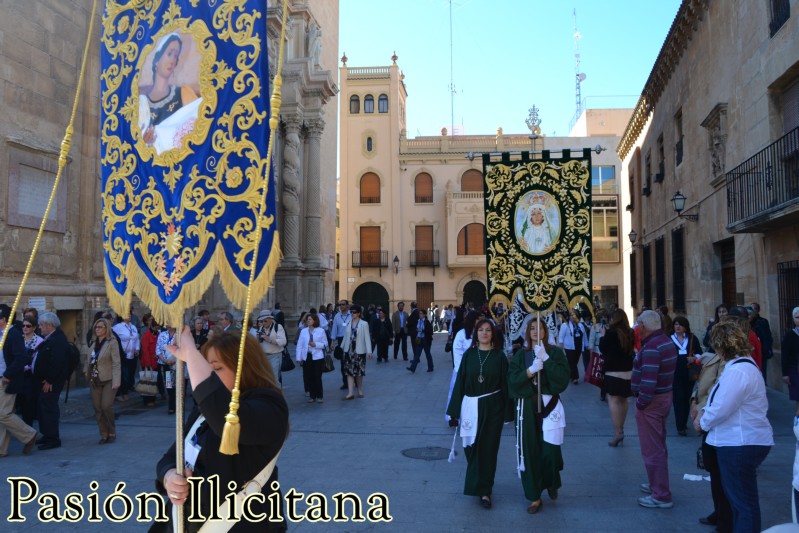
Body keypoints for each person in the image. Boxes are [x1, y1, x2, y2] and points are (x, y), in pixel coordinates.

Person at [154, 328, 289, 532]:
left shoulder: (269, 406)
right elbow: (170, 458)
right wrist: (169, 476)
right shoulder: (203, 411)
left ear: (244, 368)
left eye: (215, 369)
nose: (205, 375)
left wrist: (191, 352)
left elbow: (225, 420)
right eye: (205, 367)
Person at [695, 318, 773, 533]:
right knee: (741, 502)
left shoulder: (738, 371)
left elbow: (721, 407)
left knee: (743, 504)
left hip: (739, 443)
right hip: (739, 441)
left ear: (722, 345)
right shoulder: (741, 366)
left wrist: (702, 421)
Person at [508, 316, 570, 514]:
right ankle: (534, 496)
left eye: (540, 327)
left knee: (550, 453)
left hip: (549, 408)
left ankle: (552, 481)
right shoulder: (520, 355)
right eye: (532, 328)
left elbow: (562, 381)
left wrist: (546, 360)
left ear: (545, 331)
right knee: (529, 453)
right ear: (528, 332)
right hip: (526, 409)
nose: (536, 331)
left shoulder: (555, 354)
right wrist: (530, 371)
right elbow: (512, 381)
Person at [446, 319, 510, 510]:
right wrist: (454, 412)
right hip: (469, 407)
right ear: (476, 334)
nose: (484, 333)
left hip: (492, 408)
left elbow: (506, 386)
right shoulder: (469, 355)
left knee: (489, 449)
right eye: (480, 330)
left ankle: (485, 491)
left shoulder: (499, 357)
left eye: (488, 330)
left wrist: (507, 413)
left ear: (493, 334)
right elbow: (460, 383)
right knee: (471, 448)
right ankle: (478, 481)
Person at [632, 309, 677, 509]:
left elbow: (648, 382)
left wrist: (641, 403)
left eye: (639, 323)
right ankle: (656, 484)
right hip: (664, 397)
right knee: (658, 445)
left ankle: (661, 494)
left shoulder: (652, 347)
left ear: (644, 326)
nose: (637, 326)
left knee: (652, 449)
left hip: (652, 402)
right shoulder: (666, 341)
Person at [690, 337, 732, 531]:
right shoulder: (715, 357)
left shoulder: (732, 364)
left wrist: (701, 412)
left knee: (721, 473)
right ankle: (719, 512)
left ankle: (725, 517)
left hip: (713, 419)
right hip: (705, 415)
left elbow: (719, 392)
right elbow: (701, 383)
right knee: (713, 471)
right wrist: (693, 400)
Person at [137, 33, 202, 155]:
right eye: (169, 54)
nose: (172, 60)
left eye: (176, 56)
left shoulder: (183, 93)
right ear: (157, 59)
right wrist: (144, 143)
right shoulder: (142, 105)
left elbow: (200, 124)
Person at [0, 304, 38, 456]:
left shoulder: (13, 335)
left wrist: (8, 374)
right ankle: (1, 449)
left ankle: (29, 434)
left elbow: (21, 358)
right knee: (1, 415)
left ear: (4, 319)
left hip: (7, 380)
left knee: (3, 414)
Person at [32, 311, 70, 450]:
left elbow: (57, 362)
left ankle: (53, 438)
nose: (40, 328)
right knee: (43, 408)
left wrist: (49, 380)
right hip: (44, 381)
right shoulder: (50, 338)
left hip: (51, 382)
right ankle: (47, 434)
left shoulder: (58, 340)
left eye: (41, 325)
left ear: (50, 325)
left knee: (49, 408)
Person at [599, 309, 636, 447]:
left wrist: (603, 335)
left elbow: (603, 349)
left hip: (613, 372)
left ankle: (618, 432)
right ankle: (622, 428)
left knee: (613, 401)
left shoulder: (611, 333)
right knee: (624, 400)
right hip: (628, 372)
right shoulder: (630, 332)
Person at [86, 318, 121, 444]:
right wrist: (86, 373)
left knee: (106, 406)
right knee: (97, 407)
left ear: (106, 328)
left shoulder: (112, 342)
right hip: (94, 379)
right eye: (96, 327)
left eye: (100, 327)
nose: (97, 329)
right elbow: (89, 360)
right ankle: (103, 433)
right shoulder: (93, 342)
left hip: (109, 379)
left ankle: (112, 430)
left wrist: (117, 380)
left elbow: (116, 363)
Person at [670, 316, 702, 436]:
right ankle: (680, 426)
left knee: (687, 398)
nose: (677, 327)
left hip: (689, 373)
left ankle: (683, 422)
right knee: (678, 398)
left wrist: (694, 358)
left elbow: (700, 353)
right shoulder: (670, 338)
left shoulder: (692, 338)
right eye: (675, 324)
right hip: (675, 373)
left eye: (680, 325)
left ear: (685, 327)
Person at [446, 311, 478, 422]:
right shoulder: (461, 334)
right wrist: (461, 370)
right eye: (478, 319)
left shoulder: (479, 333)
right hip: (462, 370)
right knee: (457, 393)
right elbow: (457, 353)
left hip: (476, 370)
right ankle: (453, 415)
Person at [295, 313, 327, 403]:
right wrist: (299, 357)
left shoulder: (321, 331)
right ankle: (312, 396)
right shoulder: (303, 331)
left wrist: (316, 344)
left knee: (317, 376)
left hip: (317, 356)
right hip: (307, 356)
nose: (308, 321)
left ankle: (319, 396)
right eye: (307, 319)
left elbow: (325, 344)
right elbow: (299, 345)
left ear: (315, 320)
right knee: (309, 376)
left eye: (310, 319)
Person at [342, 304, 371, 400]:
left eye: (354, 312)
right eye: (351, 312)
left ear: (359, 313)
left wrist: (369, 351)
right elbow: (345, 337)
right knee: (349, 371)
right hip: (349, 350)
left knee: (359, 372)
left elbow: (367, 338)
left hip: (359, 351)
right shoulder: (348, 323)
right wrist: (341, 348)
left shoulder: (364, 324)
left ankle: (359, 389)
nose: (352, 314)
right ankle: (350, 393)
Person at [18, 317, 43, 426]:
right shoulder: (19, 339)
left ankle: (28, 429)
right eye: (23, 325)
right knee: (20, 404)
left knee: (29, 404)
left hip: (31, 376)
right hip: (18, 375)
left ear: (34, 327)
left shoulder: (39, 341)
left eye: (28, 326)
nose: (25, 328)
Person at [112, 314, 140, 402]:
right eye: (126, 314)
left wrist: (137, 349)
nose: (129, 316)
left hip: (132, 354)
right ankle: (121, 393)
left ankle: (127, 390)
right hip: (123, 355)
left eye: (129, 314)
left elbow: (137, 339)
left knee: (130, 373)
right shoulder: (117, 327)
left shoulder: (133, 327)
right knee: (123, 375)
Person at [257, 311, 287, 389]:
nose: (263, 323)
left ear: (270, 319)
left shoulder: (278, 327)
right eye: (261, 321)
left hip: (275, 356)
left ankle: (278, 398)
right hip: (264, 357)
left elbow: (283, 341)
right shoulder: (261, 328)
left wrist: (270, 340)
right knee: (265, 379)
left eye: (265, 321)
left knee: (274, 379)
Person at [156, 326, 178, 414]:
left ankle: (178, 405)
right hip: (166, 364)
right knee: (169, 385)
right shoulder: (162, 334)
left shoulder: (180, 335)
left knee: (179, 386)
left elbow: (183, 349)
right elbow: (157, 349)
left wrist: (174, 360)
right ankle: (171, 406)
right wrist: (165, 360)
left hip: (177, 365)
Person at [557, 310, 584, 385]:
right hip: (569, 347)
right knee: (572, 362)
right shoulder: (565, 325)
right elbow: (561, 337)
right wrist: (561, 346)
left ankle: (569, 374)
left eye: (574, 315)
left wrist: (587, 345)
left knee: (574, 362)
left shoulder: (580, 325)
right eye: (571, 315)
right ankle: (575, 378)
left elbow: (584, 336)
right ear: (569, 317)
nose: (573, 317)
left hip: (578, 347)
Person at [140, 314, 160, 407]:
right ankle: (147, 400)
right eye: (156, 327)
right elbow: (145, 350)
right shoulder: (146, 335)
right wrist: (148, 364)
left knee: (153, 381)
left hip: (155, 361)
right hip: (148, 362)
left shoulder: (157, 334)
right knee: (147, 381)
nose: (157, 329)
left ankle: (153, 398)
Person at [782, 307, 799, 416]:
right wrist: (785, 374)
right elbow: (785, 355)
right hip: (795, 369)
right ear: (793, 319)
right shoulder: (790, 335)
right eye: (797, 317)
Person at [749, 302, 773, 380]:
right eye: (750, 308)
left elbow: (767, 337)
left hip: (761, 352)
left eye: (754, 308)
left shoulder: (762, 322)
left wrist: (766, 350)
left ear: (758, 310)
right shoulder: (747, 323)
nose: (752, 311)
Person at [331, 300, 351, 391]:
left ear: (347, 305)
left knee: (350, 360)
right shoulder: (337, 316)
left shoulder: (351, 315)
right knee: (343, 362)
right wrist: (332, 342)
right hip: (340, 340)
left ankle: (352, 380)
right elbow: (334, 329)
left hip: (350, 339)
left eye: (343, 304)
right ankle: (345, 382)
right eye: (340, 305)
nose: (341, 306)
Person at [407, 307, 434, 373]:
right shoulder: (418, 321)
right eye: (419, 313)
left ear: (424, 315)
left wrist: (422, 330)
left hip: (426, 340)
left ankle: (430, 367)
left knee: (428, 354)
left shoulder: (427, 322)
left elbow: (430, 331)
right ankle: (412, 368)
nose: (420, 315)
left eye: (421, 313)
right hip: (419, 339)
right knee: (417, 355)